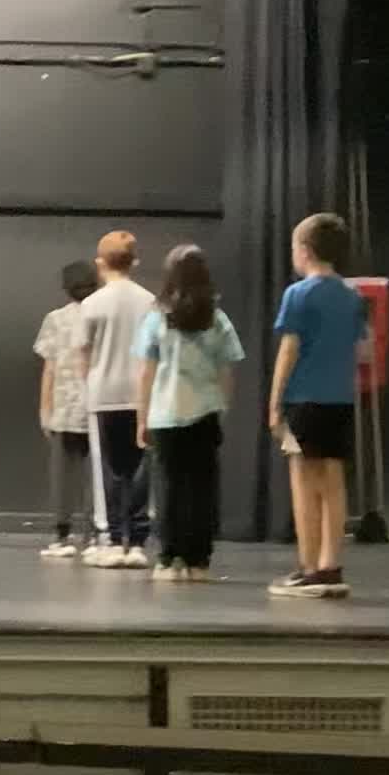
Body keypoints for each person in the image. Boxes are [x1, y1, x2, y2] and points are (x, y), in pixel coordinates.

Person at [135, 246, 244, 582]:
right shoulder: (218, 319)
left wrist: (141, 417)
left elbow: (146, 373)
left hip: (165, 413)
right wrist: (222, 407)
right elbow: (227, 371)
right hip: (205, 413)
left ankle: (169, 558)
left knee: (168, 487)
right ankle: (199, 560)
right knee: (201, 488)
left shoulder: (156, 318)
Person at [267, 213, 361, 599]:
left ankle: (308, 568)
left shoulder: (298, 294)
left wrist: (274, 402)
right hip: (340, 399)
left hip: (304, 400)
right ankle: (330, 565)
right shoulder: (353, 297)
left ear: (304, 251)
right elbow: (360, 349)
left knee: (304, 484)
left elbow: (289, 350)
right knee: (334, 483)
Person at [79, 230, 156, 569]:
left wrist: (89, 383)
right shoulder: (149, 301)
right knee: (139, 470)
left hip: (104, 395)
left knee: (108, 471)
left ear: (100, 263)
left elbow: (84, 352)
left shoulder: (92, 304)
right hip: (141, 396)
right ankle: (137, 542)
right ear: (134, 262)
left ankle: (111, 539)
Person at [35, 260, 101, 558]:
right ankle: (94, 534)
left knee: (62, 475)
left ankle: (60, 536)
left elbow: (49, 369)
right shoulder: (102, 317)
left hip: (63, 407)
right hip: (97, 405)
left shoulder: (55, 319)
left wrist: (45, 410)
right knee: (96, 475)